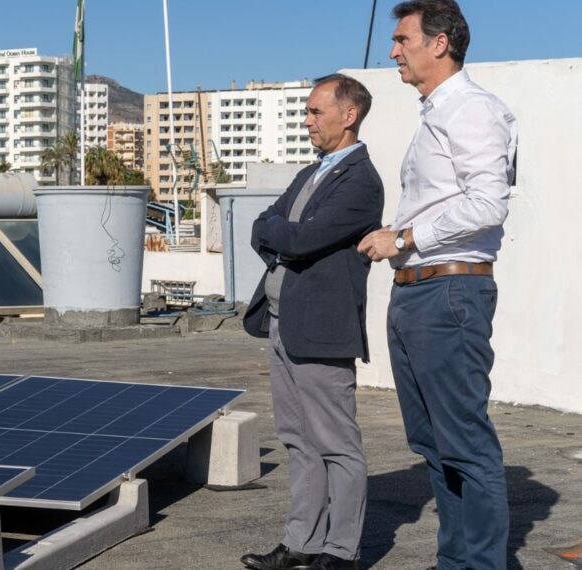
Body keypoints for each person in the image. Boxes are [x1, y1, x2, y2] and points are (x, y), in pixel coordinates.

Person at [357, 1, 517, 568]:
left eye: (402, 39)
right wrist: (402, 239)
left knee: (465, 446)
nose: (393, 50)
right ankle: (458, 562)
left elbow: (487, 204)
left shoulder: (470, 109)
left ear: (440, 43)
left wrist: (403, 238)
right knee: (432, 444)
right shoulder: (437, 114)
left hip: (449, 294)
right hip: (420, 293)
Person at [241, 74, 383, 570]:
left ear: (349, 115)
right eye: (306, 112)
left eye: (316, 112)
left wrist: (284, 234)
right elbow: (263, 225)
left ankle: (341, 551)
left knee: (337, 444)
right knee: (297, 440)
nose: (307, 121)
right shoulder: (311, 173)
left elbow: (298, 240)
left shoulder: (361, 182)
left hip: (321, 330)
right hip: (282, 325)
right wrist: (284, 233)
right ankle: (302, 541)